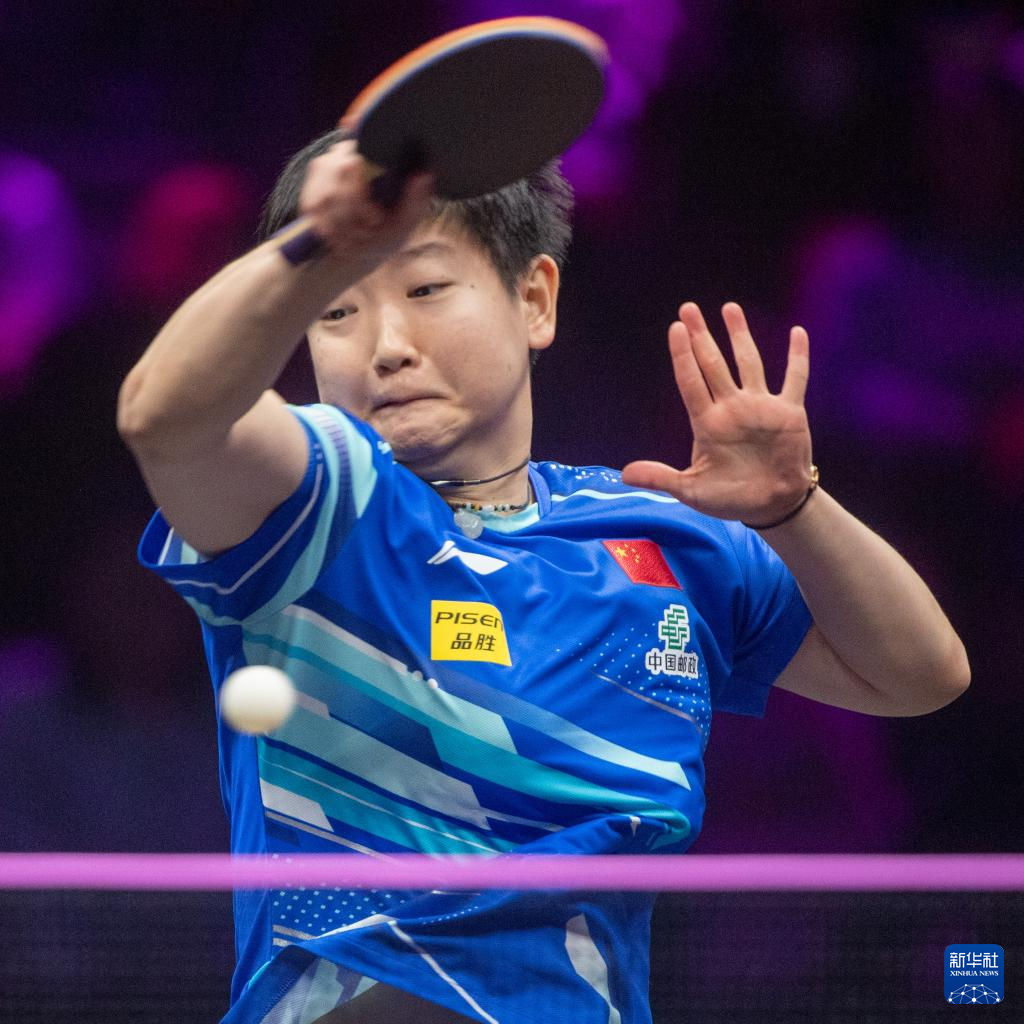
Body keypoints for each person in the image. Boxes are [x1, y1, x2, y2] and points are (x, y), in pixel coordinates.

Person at [118, 128, 969, 1024]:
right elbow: (162, 417)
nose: (386, 346)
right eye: (336, 311)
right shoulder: (322, 503)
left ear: (534, 300)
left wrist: (794, 509)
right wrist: (311, 245)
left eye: (426, 289)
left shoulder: (663, 535)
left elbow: (921, 675)